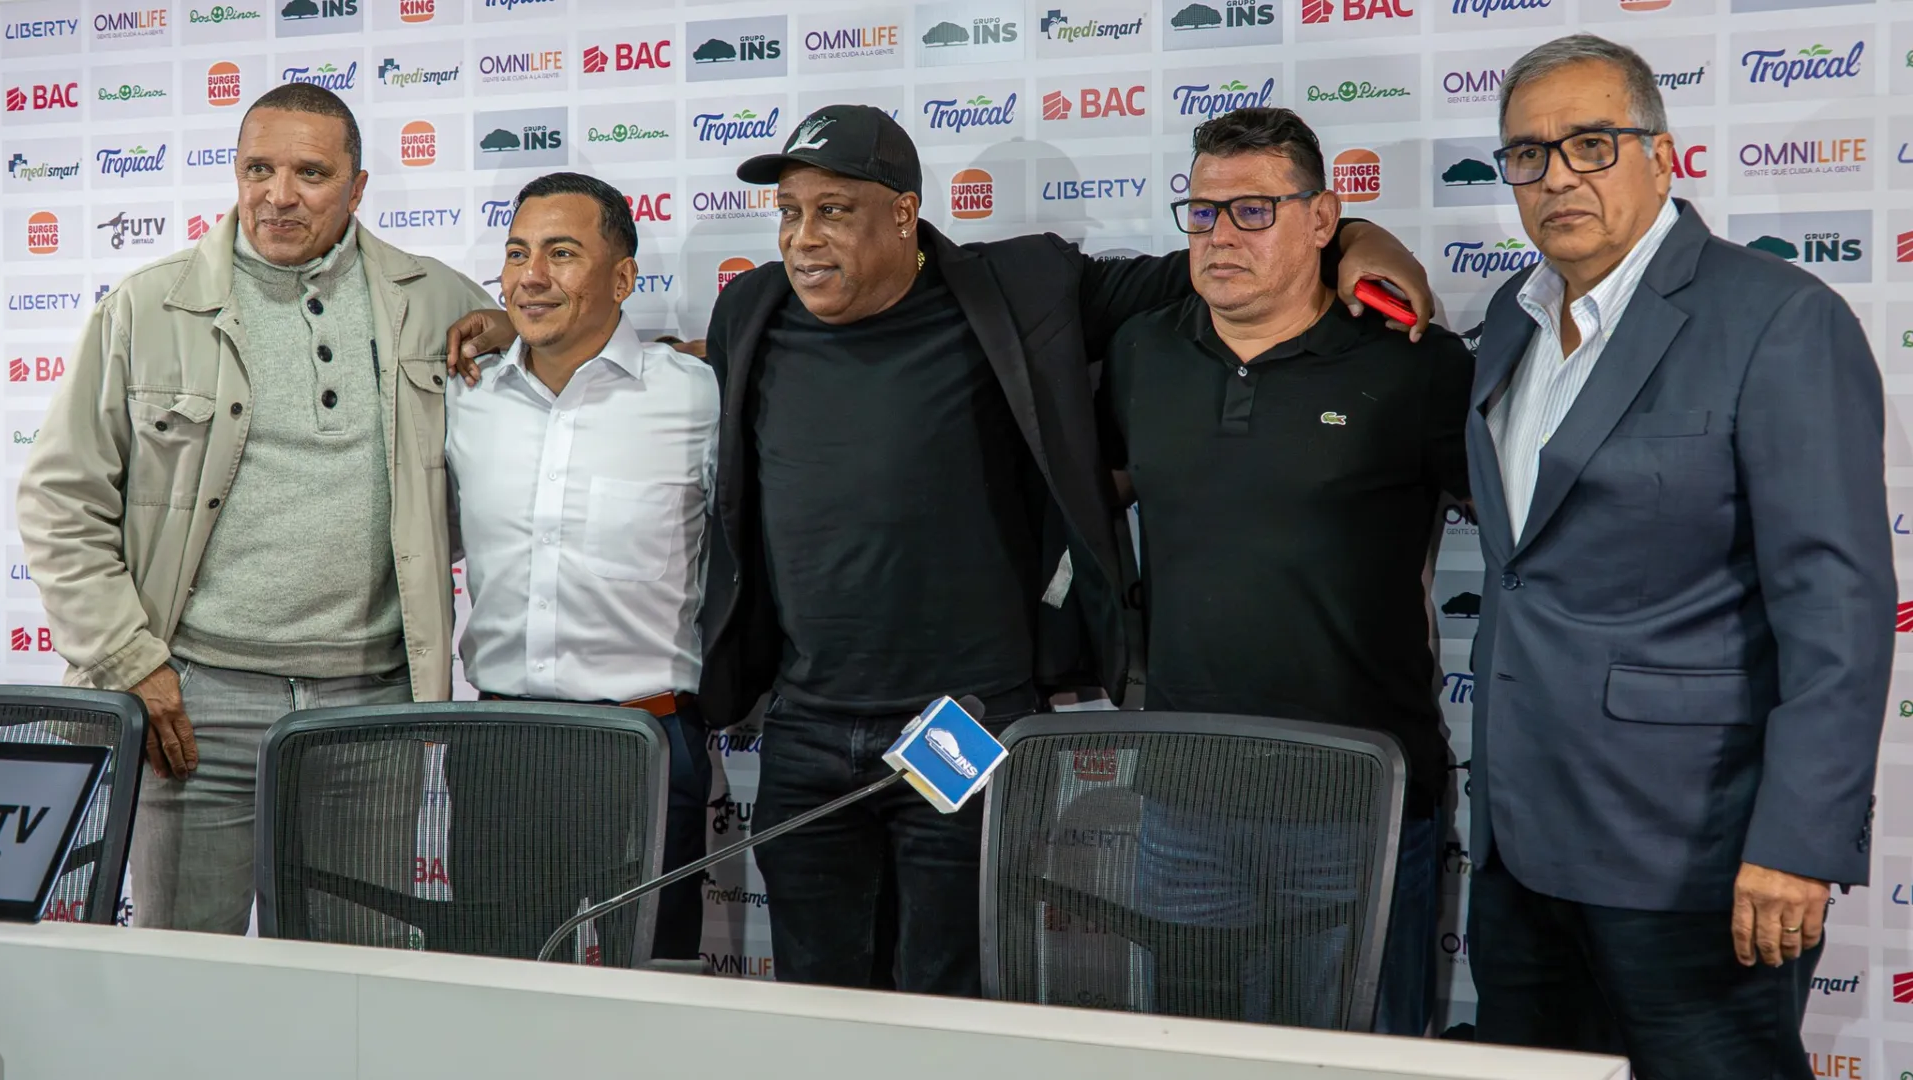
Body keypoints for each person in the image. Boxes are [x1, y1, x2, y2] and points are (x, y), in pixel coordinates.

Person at [447, 104, 1431, 995]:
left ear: (904, 215)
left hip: (965, 729)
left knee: (947, 1004)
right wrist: (513, 323)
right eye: (789, 213)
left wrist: (1359, 241)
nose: (803, 238)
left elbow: (1225, 258)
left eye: (833, 211)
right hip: (805, 734)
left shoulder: (1019, 289)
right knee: (816, 1007)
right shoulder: (752, 313)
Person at [1462, 35, 1891, 1077]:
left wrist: (1797, 843)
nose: (1557, 175)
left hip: (1695, 857)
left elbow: (1835, 609)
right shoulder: (1511, 322)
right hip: (1521, 849)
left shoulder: (1779, 318)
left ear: (1662, 156)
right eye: (1528, 153)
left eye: (1591, 143)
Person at [16, 83, 502, 934]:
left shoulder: (436, 300)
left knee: (357, 979)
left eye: (311, 173)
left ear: (357, 187)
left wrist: (517, 327)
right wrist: (131, 661)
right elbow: (61, 500)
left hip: (372, 707)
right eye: (258, 169)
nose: (279, 195)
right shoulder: (148, 307)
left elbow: (548, 365)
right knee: (184, 971)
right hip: (195, 705)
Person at [1101, 107, 1473, 1035]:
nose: (1221, 234)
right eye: (1203, 211)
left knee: (1362, 1062)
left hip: (1356, 802)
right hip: (1184, 803)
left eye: (1255, 210)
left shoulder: (1413, 366)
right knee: (1193, 1060)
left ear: (1322, 220)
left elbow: (1531, 542)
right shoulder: (1143, 351)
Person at [445, 172, 717, 962]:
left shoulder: (698, 398)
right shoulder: (464, 398)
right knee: (504, 992)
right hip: (499, 749)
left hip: (647, 743)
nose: (532, 276)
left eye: (562, 254)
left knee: (654, 992)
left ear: (623, 280)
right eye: (517, 254)